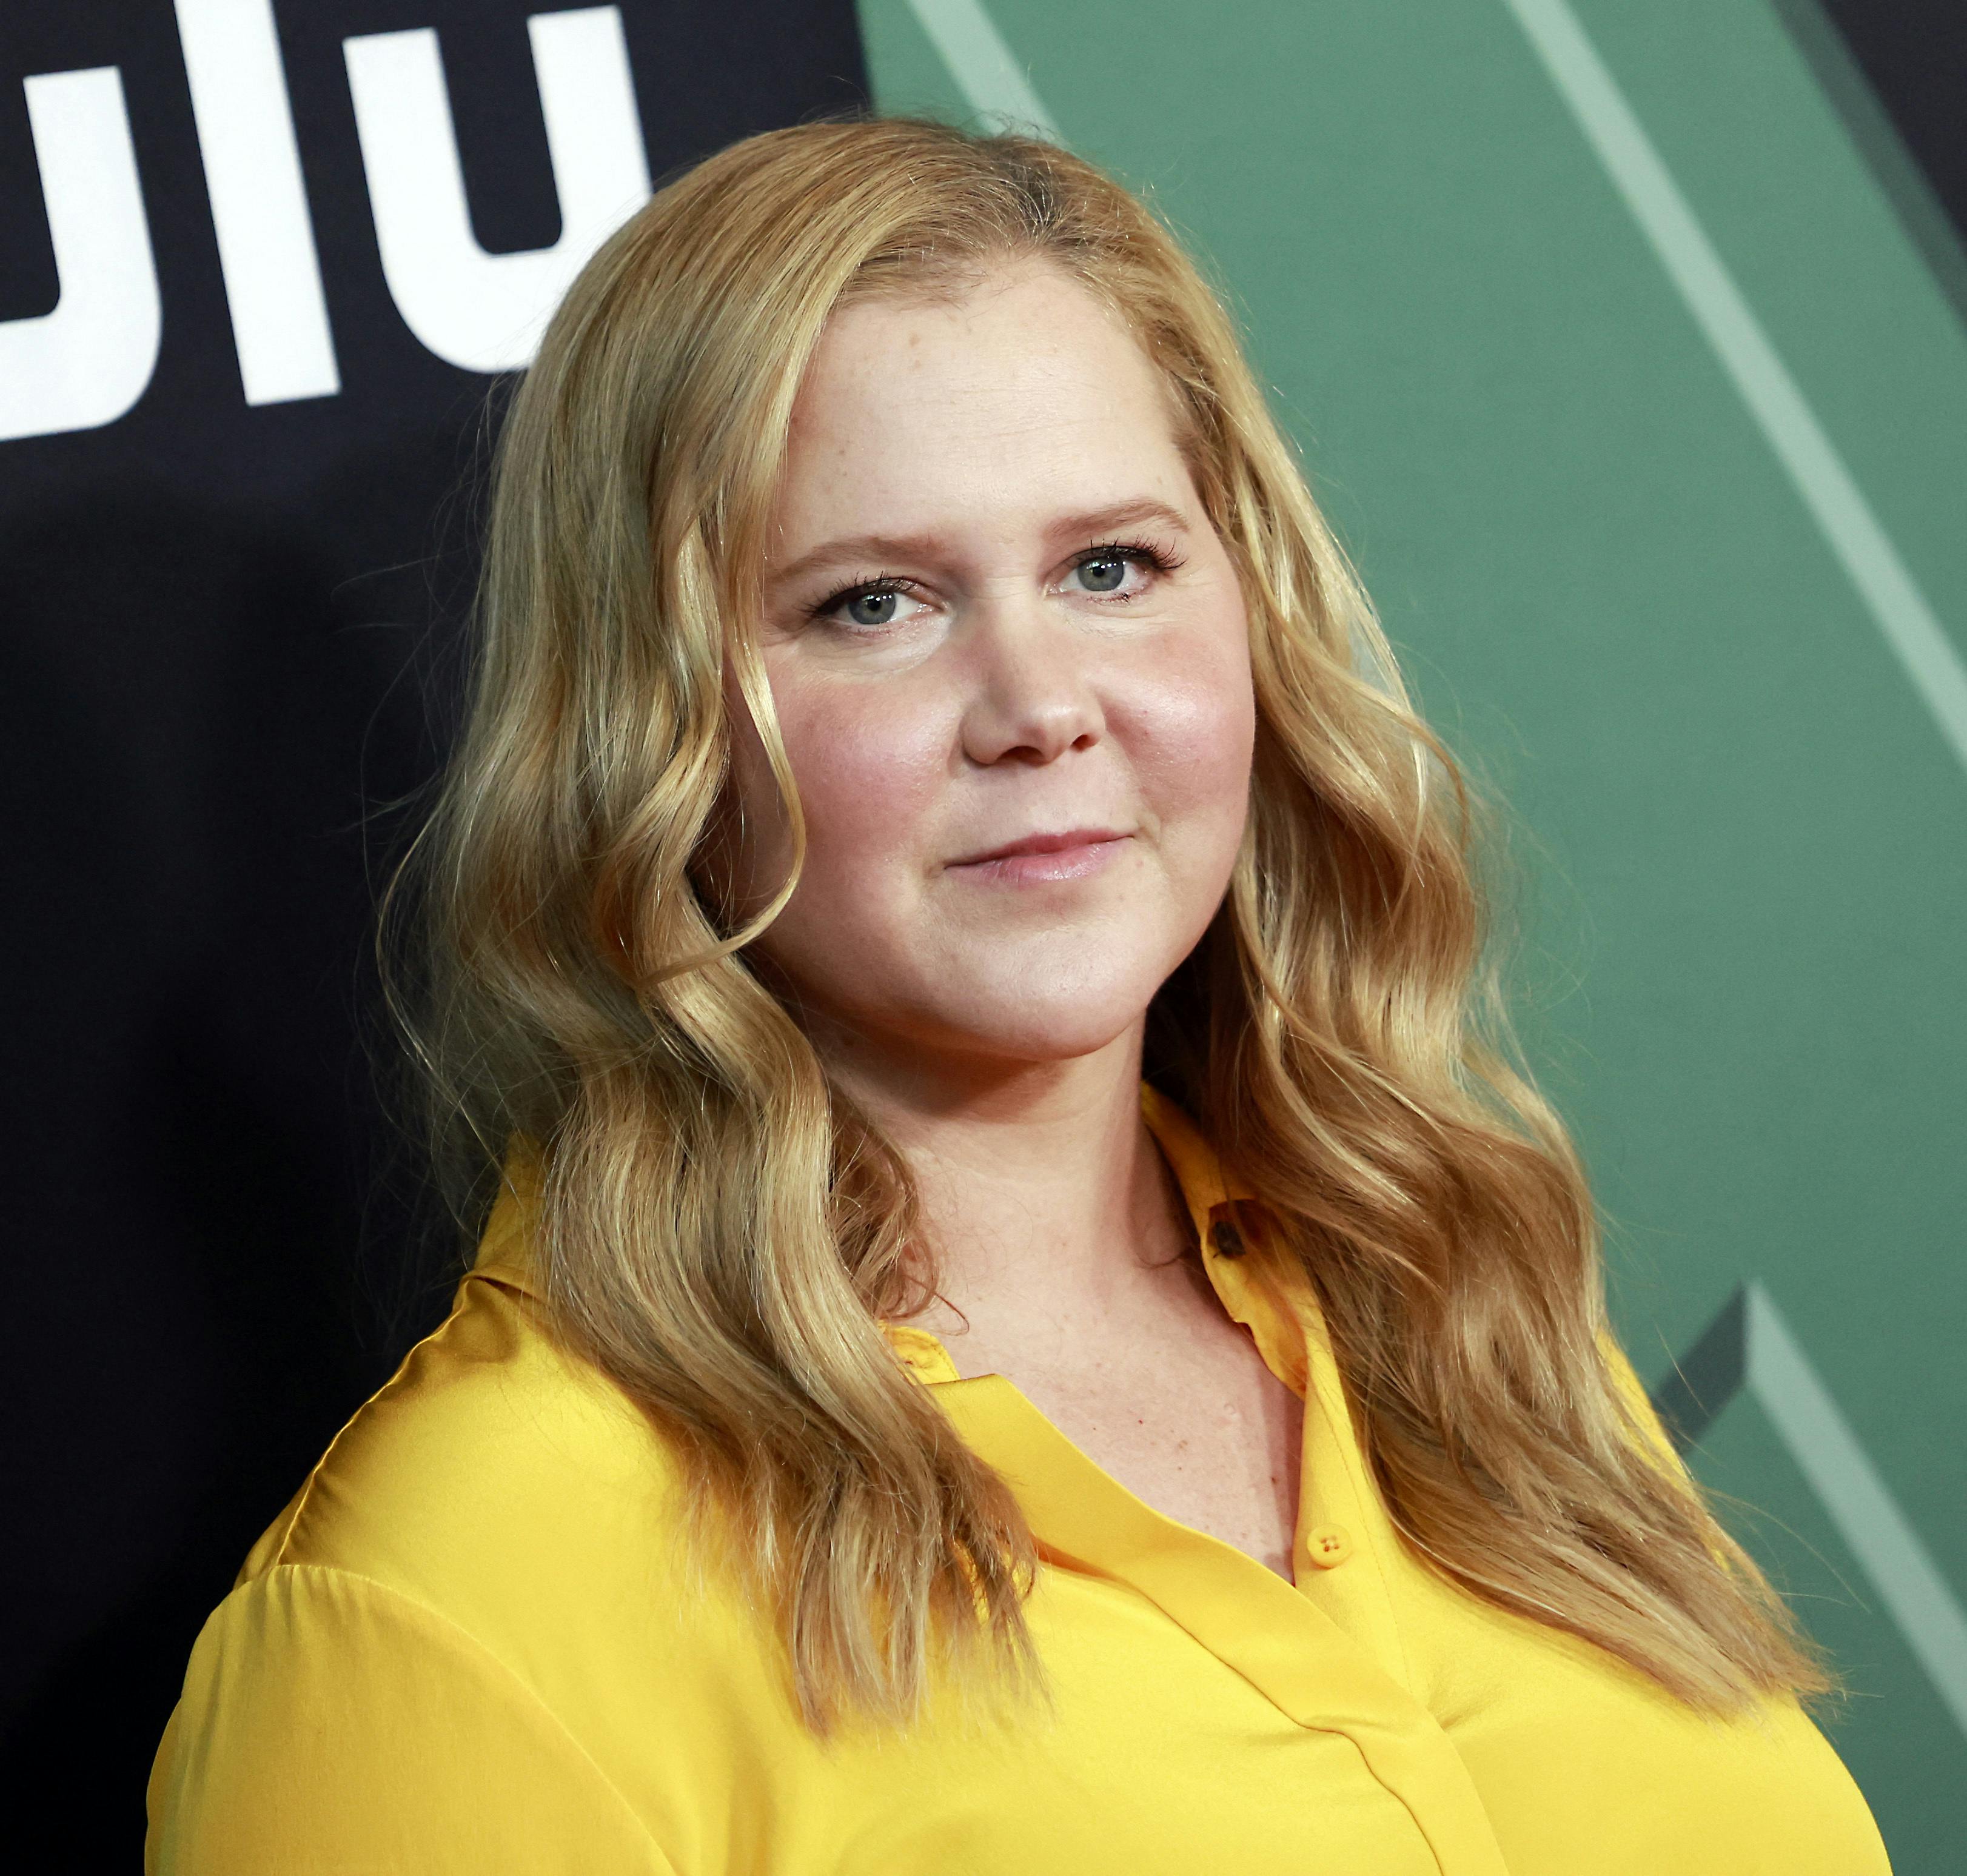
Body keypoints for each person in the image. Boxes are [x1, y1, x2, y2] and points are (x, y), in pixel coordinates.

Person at [145, 117, 1890, 1874]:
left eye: (1110, 568)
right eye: (874, 604)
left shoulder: (1451, 1312)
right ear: (647, 727)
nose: (1040, 704)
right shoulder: (452, 1598)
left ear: (1252, 608)